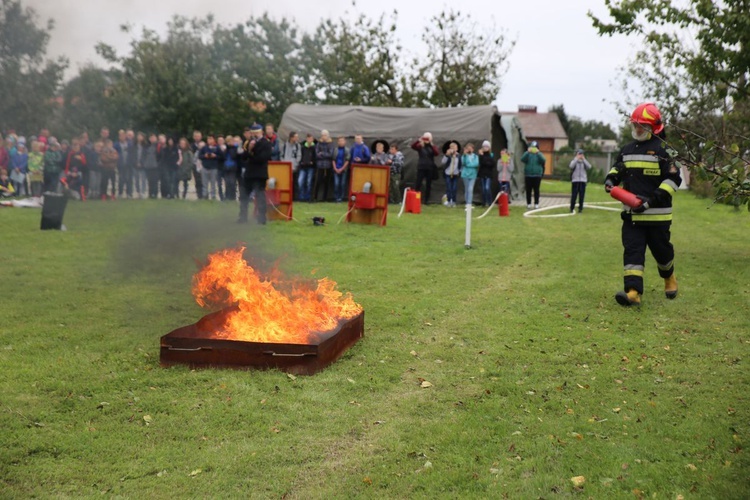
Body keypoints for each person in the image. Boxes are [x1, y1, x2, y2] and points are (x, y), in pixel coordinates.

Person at [605, 102, 681, 307]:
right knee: (632, 252)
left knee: (662, 253)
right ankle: (632, 292)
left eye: (642, 126)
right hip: (632, 216)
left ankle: (669, 277)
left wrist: (650, 201)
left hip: (658, 217)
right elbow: (617, 169)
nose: (638, 129)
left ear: (654, 128)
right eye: (636, 125)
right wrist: (611, 180)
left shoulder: (666, 151)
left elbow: (673, 181)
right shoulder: (627, 149)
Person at [238, 123, 272, 224]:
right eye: (252, 133)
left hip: (260, 174)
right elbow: (243, 157)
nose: (254, 135)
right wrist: (249, 150)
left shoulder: (266, 143)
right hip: (249, 173)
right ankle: (242, 217)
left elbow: (262, 158)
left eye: (256, 133)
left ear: (261, 132)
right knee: (244, 196)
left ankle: (261, 219)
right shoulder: (248, 143)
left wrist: (251, 152)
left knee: (260, 196)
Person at [412, 132, 440, 204]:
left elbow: (436, 153)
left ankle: (426, 200)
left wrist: (431, 144)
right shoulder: (420, 146)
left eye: (428, 138)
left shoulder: (432, 146)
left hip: (430, 168)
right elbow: (413, 146)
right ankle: (416, 198)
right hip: (421, 167)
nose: (426, 140)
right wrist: (419, 140)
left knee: (428, 184)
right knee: (418, 183)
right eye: (425, 138)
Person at [520, 140, 546, 209]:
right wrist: (527, 152)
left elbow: (543, 160)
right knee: (528, 190)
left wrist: (538, 153)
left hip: (537, 175)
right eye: (532, 147)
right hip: (528, 174)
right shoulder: (528, 154)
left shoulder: (539, 154)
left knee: (536, 190)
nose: (533, 149)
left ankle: (536, 203)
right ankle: (528, 203)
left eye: (535, 147)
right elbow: (522, 159)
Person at [199, 135, 223, 200]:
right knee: (204, 184)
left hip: (214, 168)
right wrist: (205, 156)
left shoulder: (217, 148)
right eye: (208, 139)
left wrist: (215, 156)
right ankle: (205, 196)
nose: (209, 140)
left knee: (213, 184)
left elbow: (222, 157)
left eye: (210, 139)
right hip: (205, 167)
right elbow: (200, 156)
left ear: (214, 140)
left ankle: (213, 196)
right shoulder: (204, 147)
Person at [313, 130, 335, 202]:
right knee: (318, 181)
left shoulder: (330, 144)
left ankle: (325, 198)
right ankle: (315, 197)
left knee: (327, 182)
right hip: (320, 166)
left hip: (328, 166)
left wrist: (322, 154)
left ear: (328, 136)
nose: (324, 137)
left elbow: (331, 154)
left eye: (325, 135)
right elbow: (316, 154)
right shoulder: (318, 144)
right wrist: (324, 154)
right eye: (322, 135)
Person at [569, 149, 592, 213]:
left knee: (582, 195)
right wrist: (576, 158)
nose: (580, 156)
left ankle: (580, 208)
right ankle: (572, 208)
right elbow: (571, 166)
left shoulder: (584, 161)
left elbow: (589, 167)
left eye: (581, 154)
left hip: (582, 180)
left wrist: (584, 159)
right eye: (579, 154)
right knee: (574, 195)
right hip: (575, 180)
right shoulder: (574, 161)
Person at [281, 132, 301, 199]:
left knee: (295, 182)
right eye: (296, 137)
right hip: (286, 167)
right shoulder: (285, 145)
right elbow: (282, 155)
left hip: (294, 167)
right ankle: (286, 197)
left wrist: (295, 165)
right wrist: (284, 164)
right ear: (291, 137)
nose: (297, 138)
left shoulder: (298, 146)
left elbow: (298, 156)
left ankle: (295, 197)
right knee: (286, 183)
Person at [441, 141, 461, 207]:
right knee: (449, 188)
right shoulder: (448, 155)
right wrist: (446, 155)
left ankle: (454, 201)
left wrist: (459, 171)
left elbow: (460, 164)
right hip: (448, 173)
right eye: (451, 147)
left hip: (455, 174)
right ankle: (449, 201)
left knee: (454, 188)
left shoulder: (458, 156)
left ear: (457, 148)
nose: (453, 149)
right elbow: (443, 162)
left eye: (454, 147)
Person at [298, 133, 317, 202]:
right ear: (306, 139)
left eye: (311, 139)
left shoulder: (315, 147)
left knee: (309, 182)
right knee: (300, 181)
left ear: (313, 140)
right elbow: (300, 156)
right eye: (308, 139)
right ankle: (302, 196)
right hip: (303, 167)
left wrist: (313, 162)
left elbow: (316, 157)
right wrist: (301, 162)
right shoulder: (302, 147)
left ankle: (308, 197)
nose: (309, 140)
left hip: (311, 167)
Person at [332, 137, 350, 202]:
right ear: (338, 142)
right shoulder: (335, 150)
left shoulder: (347, 150)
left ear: (345, 142)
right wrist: (335, 168)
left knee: (342, 184)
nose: (341, 142)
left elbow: (347, 160)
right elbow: (333, 159)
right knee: (336, 184)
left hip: (344, 170)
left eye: (342, 141)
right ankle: (336, 197)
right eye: (340, 141)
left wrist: (342, 168)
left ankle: (341, 197)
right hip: (336, 169)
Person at [477, 140, 495, 206]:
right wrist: (483, 158)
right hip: (482, 174)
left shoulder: (491, 155)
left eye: (487, 147)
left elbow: (492, 164)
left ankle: (490, 202)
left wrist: (486, 162)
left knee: (487, 188)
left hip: (489, 174)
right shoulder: (481, 155)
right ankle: (484, 202)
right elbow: (481, 163)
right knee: (483, 189)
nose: (485, 148)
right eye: (484, 147)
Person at [222, 136, 239, 202]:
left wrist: (230, 148)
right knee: (227, 183)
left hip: (233, 167)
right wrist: (226, 149)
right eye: (228, 142)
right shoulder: (226, 148)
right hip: (226, 167)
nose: (230, 143)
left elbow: (233, 156)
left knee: (232, 183)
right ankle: (227, 197)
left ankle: (233, 197)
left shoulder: (235, 148)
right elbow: (223, 156)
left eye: (231, 141)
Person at [133, 132, 148, 198]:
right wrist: (135, 162)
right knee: (136, 179)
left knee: (143, 179)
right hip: (135, 164)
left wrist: (142, 163)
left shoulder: (146, 146)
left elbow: (146, 156)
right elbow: (132, 155)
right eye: (138, 136)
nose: (139, 137)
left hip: (143, 165)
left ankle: (142, 192)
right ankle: (138, 191)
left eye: (141, 136)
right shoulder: (134, 145)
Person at [191, 130, 204, 199]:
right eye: (196, 136)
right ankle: (199, 195)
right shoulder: (192, 146)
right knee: (197, 180)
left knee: (203, 180)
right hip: (195, 165)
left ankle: (204, 194)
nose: (197, 138)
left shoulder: (204, 145)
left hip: (203, 165)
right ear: (193, 137)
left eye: (199, 136)